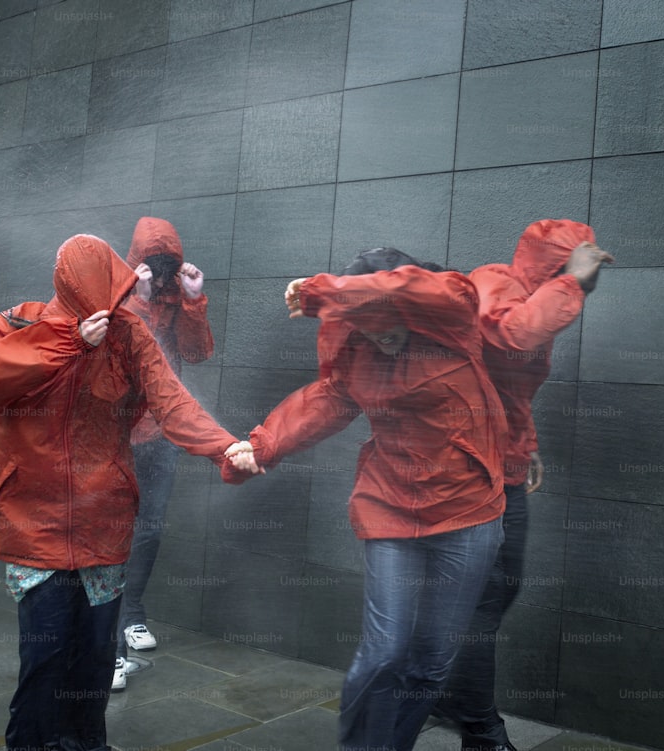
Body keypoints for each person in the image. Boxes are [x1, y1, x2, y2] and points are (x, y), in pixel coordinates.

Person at [0, 234, 258, 751]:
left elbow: (171, 401)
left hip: (104, 515)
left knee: (94, 652)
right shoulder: (14, 324)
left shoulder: (129, 332)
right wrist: (68, 343)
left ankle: (88, 743)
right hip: (34, 519)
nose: (108, 310)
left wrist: (224, 448)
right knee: (45, 655)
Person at [243, 248, 507, 751]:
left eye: (384, 319)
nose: (377, 332)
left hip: (468, 514)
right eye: (363, 322)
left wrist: (330, 292)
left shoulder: (451, 323)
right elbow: (326, 400)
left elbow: (433, 288)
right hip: (391, 508)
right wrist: (263, 445)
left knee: (431, 662)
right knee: (384, 652)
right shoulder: (357, 353)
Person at [434, 220, 613, 750]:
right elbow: (511, 338)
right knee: (482, 601)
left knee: (503, 588)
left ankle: (444, 692)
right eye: (582, 264)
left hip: (501, 462)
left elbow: (510, 388)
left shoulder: (541, 296)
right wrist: (573, 283)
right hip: (464, 467)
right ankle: (482, 731)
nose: (591, 275)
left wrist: (525, 446)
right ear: (557, 263)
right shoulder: (495, 281)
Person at [114, 216, 215, 689]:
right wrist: (136, 294)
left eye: (168, 263)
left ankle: (132, 615)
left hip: (162, 433)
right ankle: (108, 633)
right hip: (117, 433)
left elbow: (196, 355)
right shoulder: (120, 291)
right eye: (153, 261)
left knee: (149, 527)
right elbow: (111, 345)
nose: (161, 269)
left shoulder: (178, 297)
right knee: (112, 530)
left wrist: (193, 300)